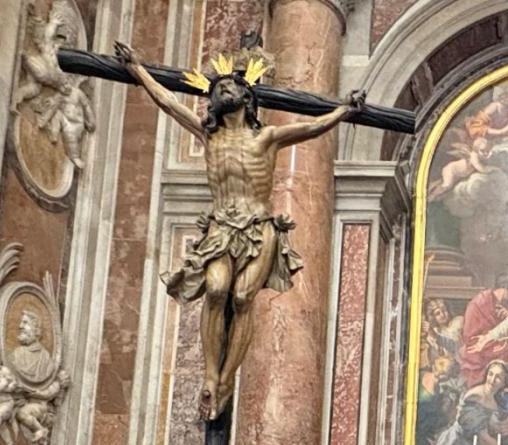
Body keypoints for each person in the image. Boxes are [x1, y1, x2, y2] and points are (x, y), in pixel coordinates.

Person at [114, 42, 363, 418]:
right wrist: (137, 68)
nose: (222, 91)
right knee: (216, 289)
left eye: (229, 87)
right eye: (216, 89)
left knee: (244, 296)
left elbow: (312, 127)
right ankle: (211, 377)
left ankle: (228, 378)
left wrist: (344, 110)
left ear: (247, 98)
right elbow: (168, 102)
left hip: (259, 226)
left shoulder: (266, 138)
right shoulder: (209, 135)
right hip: (219, 227)